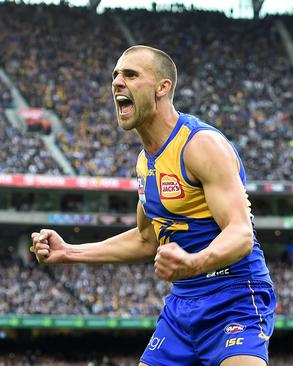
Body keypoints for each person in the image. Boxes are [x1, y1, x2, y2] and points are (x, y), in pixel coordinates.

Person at [30, 45, 274, 366]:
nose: (117, 82)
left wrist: (194, 261)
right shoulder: (145, 163)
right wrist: (69, 252)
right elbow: (146, 239)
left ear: (163, 88)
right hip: (182, 304)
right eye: (116, 75)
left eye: (130, 74)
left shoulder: (200, 145)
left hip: (235, 295)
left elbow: (241, 234)